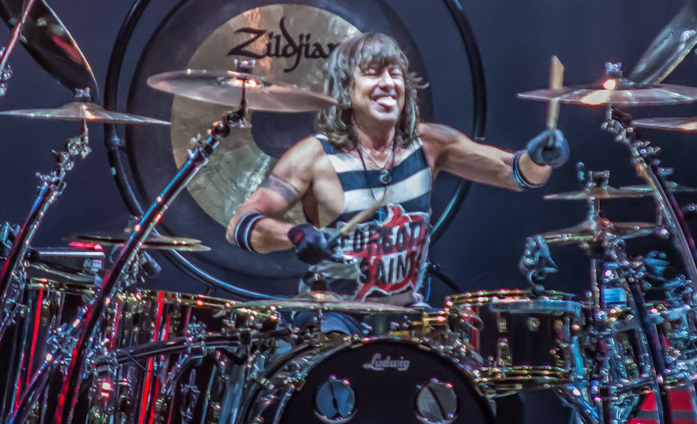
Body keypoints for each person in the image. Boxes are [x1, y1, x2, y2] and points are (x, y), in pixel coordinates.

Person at [226, 32, 569, 305]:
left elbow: (518, 174)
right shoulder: (314, 156)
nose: (389, 83)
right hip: (334, 318)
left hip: (407, 318)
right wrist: (294, 235)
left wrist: (539, 157)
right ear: (345, 90)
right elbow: (240, 224)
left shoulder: (431, 144)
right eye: (372, 73)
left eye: (395, 74)